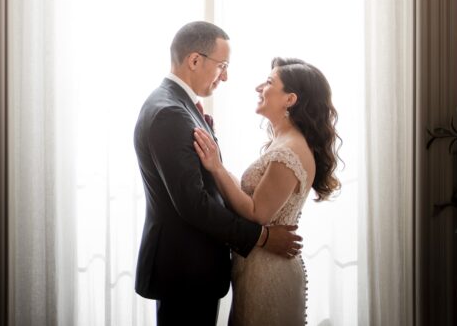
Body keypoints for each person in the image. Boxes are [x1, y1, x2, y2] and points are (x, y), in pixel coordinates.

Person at [134, 21, 303, 325]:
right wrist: (262, 238)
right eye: (222, 66)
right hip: (184, 270)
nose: (225, 76)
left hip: (190, 268)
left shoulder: (178, 105)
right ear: (195, 60)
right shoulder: (170, 113)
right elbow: (193, 204)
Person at [192, 57, 342, 326]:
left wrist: (215, 168)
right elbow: (250, 196)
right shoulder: (282, 142)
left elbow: (256, 212)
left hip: (268, 272)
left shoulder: (289, 149)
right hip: (258, 265)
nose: (259, 87)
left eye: (270, 82)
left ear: (290, 99)